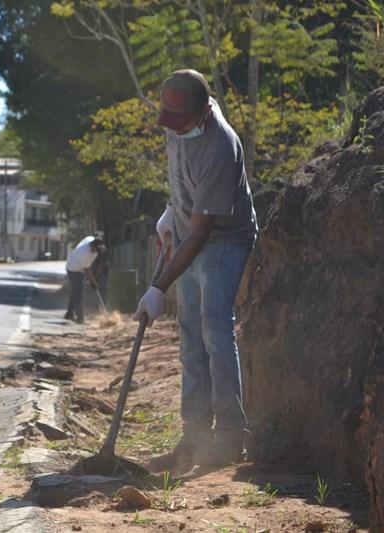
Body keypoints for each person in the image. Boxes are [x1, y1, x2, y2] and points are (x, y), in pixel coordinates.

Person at [134, 69, 258, 471]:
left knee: (214, 329)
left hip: (223, 238)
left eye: (181, 121)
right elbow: (179, 173)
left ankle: (228, 439)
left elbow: (203, 235)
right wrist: (173, 209)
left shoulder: (222, 146)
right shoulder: (178, 120)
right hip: (190, 232)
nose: (174, 128)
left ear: (204, 111)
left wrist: (158, 287)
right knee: (189, 339)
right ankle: (194, 439)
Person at [64, 234, 105, 324]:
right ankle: (80, 318)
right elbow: (87, 271)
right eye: (95, 249)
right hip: (73, 269)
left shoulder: (90, 240)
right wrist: (93, 282)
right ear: (92, 245)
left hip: (78, 266)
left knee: (75, 290)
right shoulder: (85, 253)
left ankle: (69, 313)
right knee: (79, 293)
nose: (96, 252)